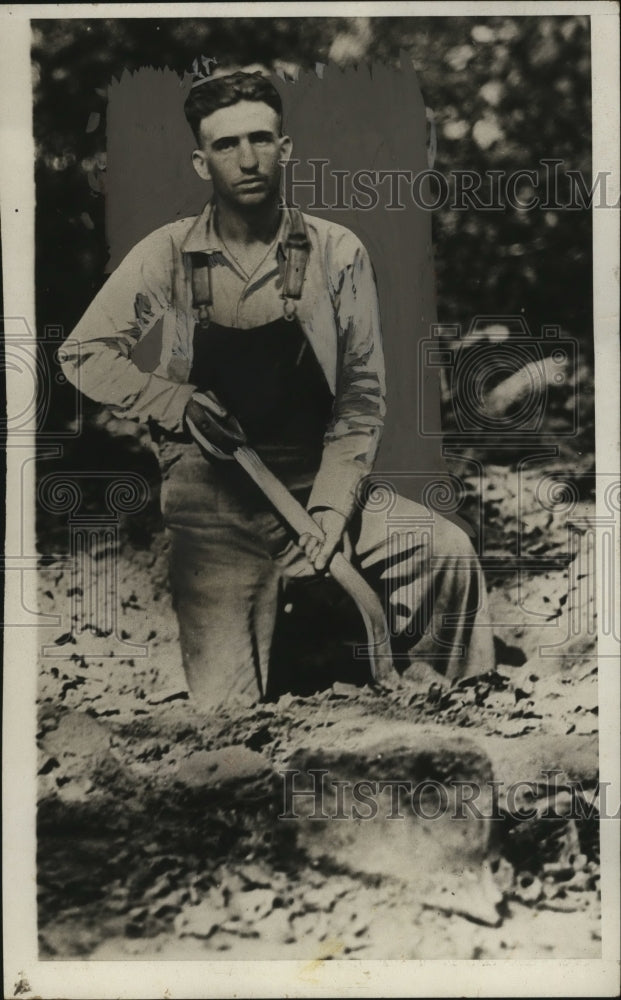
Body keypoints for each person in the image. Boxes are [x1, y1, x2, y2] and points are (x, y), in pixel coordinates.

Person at [60, 68, 494, 710]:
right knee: (229, 713)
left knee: (445, 552)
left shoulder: (336, 252)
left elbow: (362, 396)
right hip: (214, 501)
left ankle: (455, 712)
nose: (247, 158)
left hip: (316, 479)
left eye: (261, 139)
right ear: (201, 161)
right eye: (226, 145)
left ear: (284, 149)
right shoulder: (166, 254)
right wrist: (171, 400)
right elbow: (83, 354)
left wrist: (330, 506)